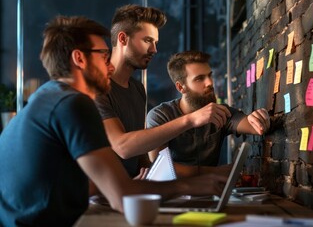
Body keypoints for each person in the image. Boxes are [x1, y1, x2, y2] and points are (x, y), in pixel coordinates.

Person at [0, 16, 227, 226]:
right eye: (104, 56)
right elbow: (122, 197)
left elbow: (83, 185)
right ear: (79, 58)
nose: (110, 66)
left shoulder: (50, 96)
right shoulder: (72, 103)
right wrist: (190, 185)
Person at [95, 5, 233, 178]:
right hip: (102, 199)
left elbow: (139, 157)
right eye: (147, 40)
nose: (154, 49)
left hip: (132, 191)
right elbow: (123, 147)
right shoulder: (97, 88)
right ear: (123, 39)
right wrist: (191, 119)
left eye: (155, 43)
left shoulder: (137, 89)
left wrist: (151, 177)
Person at [147, 50, 270, 166]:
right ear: (181, 87)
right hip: (172, 189)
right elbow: (159, 167)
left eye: (209, 76)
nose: (210, 83)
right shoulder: (160, 116)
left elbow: (254, 126)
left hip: (213, 187)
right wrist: (215, 173)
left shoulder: (219, 111)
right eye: (200, 78)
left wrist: (260, 117)